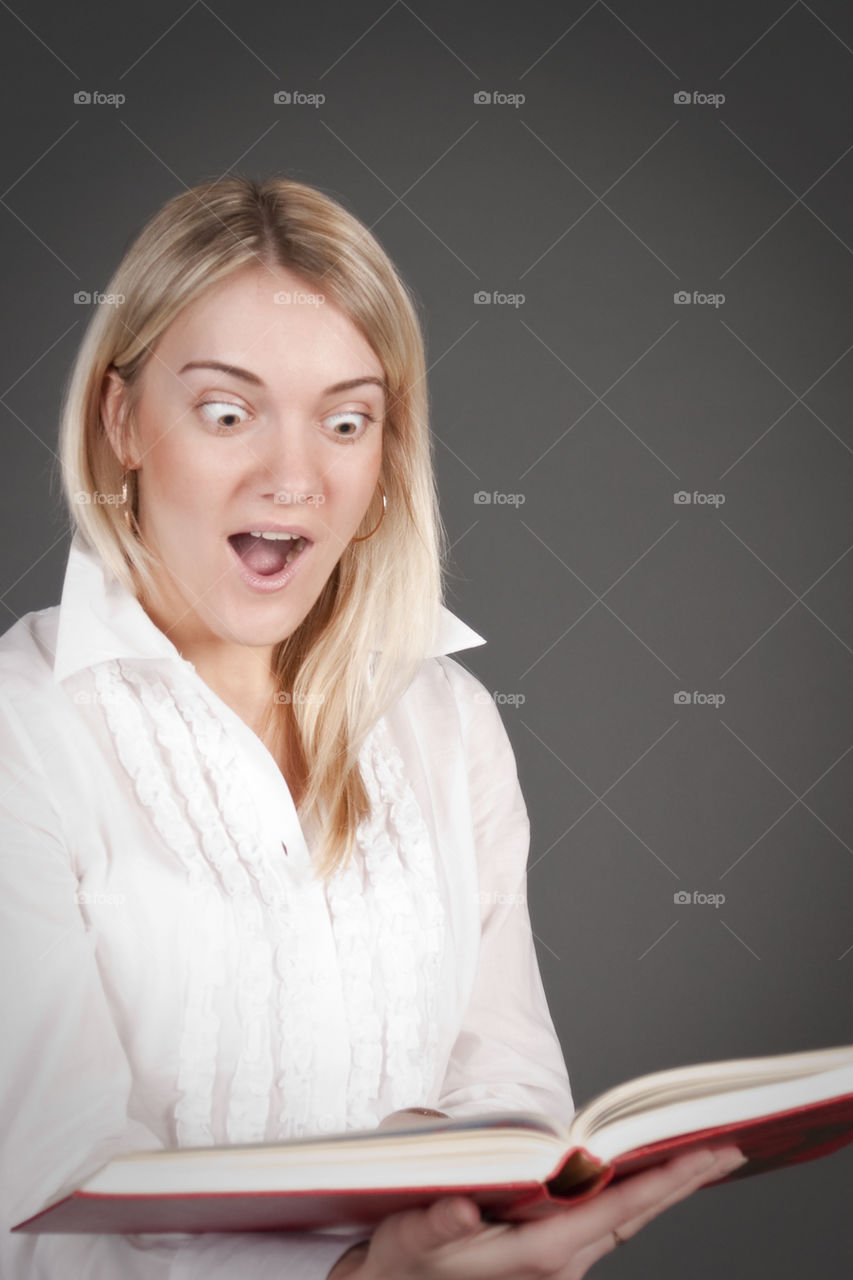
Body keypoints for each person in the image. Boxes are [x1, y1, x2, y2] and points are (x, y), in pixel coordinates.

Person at [0, 176, 745, 1279]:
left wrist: (498, 1219)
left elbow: (507, 1090)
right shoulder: (23, 727)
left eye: (346, 420)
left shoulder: (449, 723)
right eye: (226, 411)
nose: (294, 476)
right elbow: (38, 1198)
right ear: (122, 422)